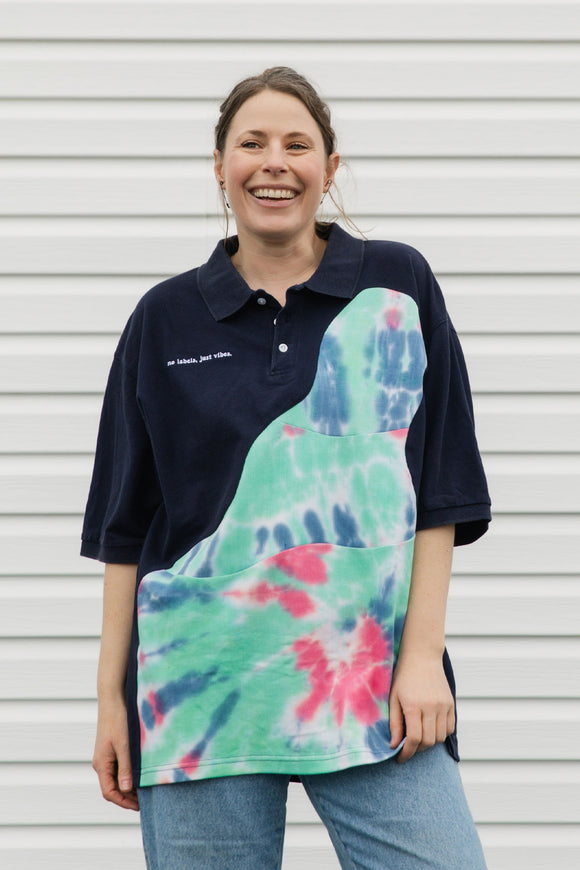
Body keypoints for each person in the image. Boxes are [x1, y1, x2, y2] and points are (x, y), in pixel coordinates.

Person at [82, 67, 491, 870]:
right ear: (220, 165)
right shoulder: (163, 317)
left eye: (297, 144)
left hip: (374, 682)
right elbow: (127, 527)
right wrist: (110, 700)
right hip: (200, 685)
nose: (275, 162)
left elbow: (439, 491)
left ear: (329, 168)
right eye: (252, 143)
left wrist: (419, 658)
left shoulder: (397, 285)